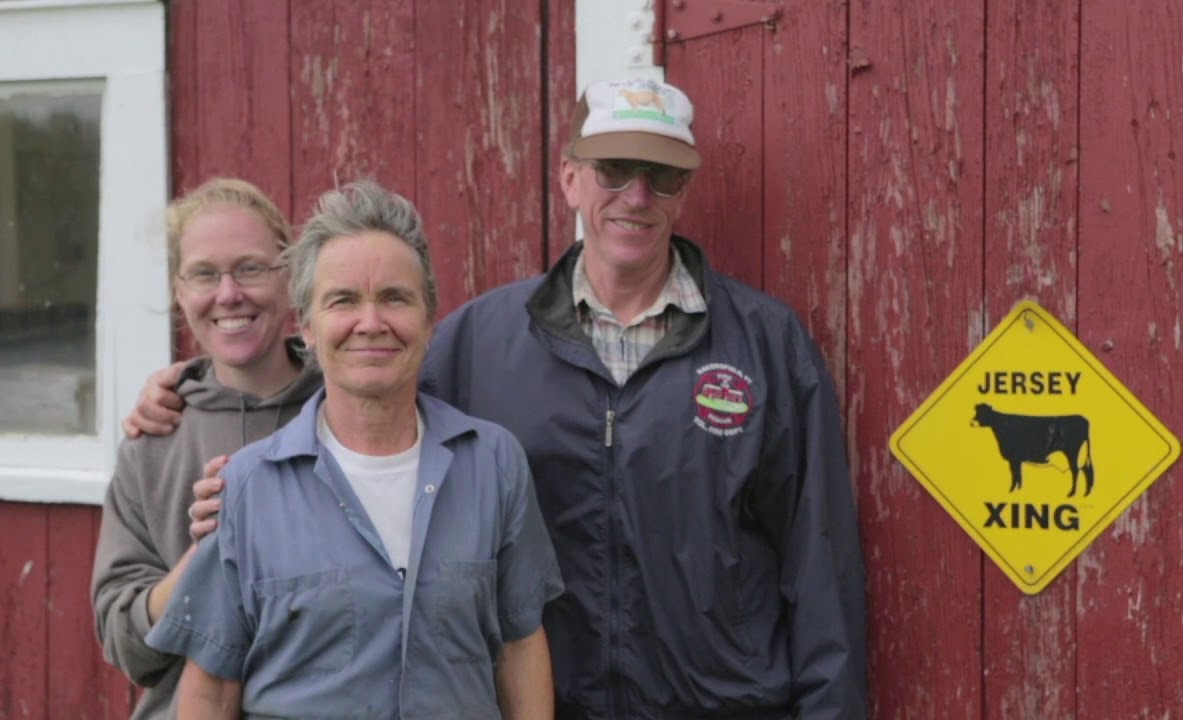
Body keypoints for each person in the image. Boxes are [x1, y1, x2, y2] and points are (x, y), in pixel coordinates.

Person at [127, 79, 867, 719]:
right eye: (612, 169)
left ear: (685, 189)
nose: (635, 196)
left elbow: (819, 558)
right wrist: (203, 393)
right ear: (570, 178)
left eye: (661, 175)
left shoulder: (763, 345)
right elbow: (361, 386)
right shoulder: (484, 338)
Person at [144, 180, 564, 718]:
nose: (371, 323)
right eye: (343, 300)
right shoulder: (248, 486)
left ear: (429, 322)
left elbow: (519, 646)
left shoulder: (494, 464)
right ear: (308, 327)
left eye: (394, 297)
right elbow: (213, 688)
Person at [91, 178, 321, 719]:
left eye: (250, 268)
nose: (228, 294)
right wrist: (204, 559)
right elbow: (126, 645)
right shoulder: (154, 438)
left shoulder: (349, 409)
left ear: (289, 278)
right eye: (203, 274)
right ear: (178, 290)